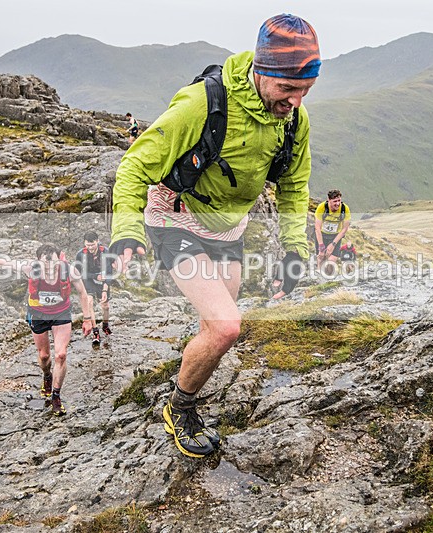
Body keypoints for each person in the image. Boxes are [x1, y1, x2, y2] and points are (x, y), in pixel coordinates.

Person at [109, 14, 321, 457]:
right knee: (227, 327)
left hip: (229, 227)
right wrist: (126, 230)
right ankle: (179, 408)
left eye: (306, 91)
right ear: (262, 71)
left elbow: (294, 186)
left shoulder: (294, 120)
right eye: (288, 89)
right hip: (175, 220)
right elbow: (133, 166)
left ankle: (190, 366)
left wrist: (295, 248)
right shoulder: (201, 105)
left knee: (215, 322)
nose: (297, 102)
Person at [0, 243, 92, 416]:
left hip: (61, 313)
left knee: (61, 355)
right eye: (45, 264)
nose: (50, 268)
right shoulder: (29, 268)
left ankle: (56, 396)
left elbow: (83, 294)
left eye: (54, 263)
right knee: (44, 356)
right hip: (38, 314)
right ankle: (47, 375)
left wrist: (87, 319)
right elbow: (0, 262)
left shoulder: (70, 271)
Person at [74, 230, 112, 346]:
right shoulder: (81, 254)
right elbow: (79, 273)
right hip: (89, 279)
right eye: (88, 245)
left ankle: (105, 325)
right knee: (89, 302)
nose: (90, 247)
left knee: (105, 306)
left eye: (92, 245)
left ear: (97, 242)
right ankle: (95, 331)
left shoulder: (105, 252)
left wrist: (105, 289)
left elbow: (109, 272)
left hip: (103, 279)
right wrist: (94, 276)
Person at [314, 189, 351, 275]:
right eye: (335, 201)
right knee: (321, 256)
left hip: (335, 235)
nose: (337, 204)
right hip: (322, 234)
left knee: (331, 261)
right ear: (329, 200)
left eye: (339, 201)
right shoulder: (322, 207)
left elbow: (344, 229)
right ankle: (319, 274)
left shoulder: (344, 209)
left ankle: (329, 276)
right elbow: (317, 227)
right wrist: (321, 246)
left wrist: (333, 244)